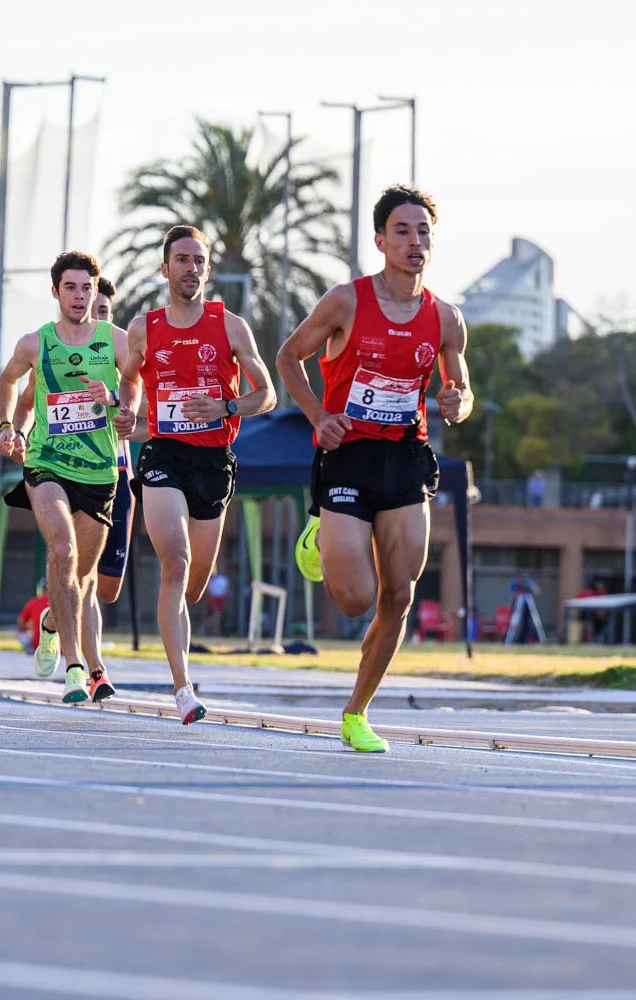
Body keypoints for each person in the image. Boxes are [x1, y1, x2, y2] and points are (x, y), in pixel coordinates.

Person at [277, 184, 473, 752]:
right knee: (354, 599)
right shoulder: (346, 302)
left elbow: (458, 387)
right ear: (380, 239)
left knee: (400, 595)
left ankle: (356, 711)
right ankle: (324, 533)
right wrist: (319, 416)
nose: (415, 241)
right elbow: (290, 357)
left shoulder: (446, 317)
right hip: (347, 454)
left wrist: (459, 402)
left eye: (424, 232)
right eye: (403, 231)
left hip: (406, 457)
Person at [119, 225, 277, 724]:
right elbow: (128, 380)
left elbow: (267, 394)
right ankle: (182, 687)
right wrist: (128, 412)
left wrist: (226, 403)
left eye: (198, 261)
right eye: (181, 259)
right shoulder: (144, 329)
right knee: (175, 562)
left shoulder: (230, 326)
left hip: (214, 460)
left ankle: (178, 629)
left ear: (207, 270)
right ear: (165, 269)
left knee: (193, 585)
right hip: (164, 454)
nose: (191, 268)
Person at [0, 250, 136, 704]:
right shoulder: (35, 344)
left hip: (99, 471)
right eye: (70, 288)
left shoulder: (117, 340)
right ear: (55, 292)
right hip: (47, 463)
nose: (79, 296)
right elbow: (8, 381)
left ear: (96, 292)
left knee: (81, 574)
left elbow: (138, 389)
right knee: (62, 548)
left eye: (86, 288)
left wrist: (117, 400)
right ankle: (76, 668)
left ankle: (52, 623)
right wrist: (7, 427)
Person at [16, 586, 51, 656]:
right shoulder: (61, 603)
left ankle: (31, 649)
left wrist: (30, 627)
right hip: (59, 648)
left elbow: (20, 624)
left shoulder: (33, 602)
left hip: (36, 645)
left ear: (42, 589)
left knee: (21, 634)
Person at [205, 571, 230, 635]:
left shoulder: (222, 579)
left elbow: (226, 591)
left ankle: (214, 630)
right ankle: (213, 630)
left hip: (221, 598)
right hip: (214, 599)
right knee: (217, 615)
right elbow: (209, 591)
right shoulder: (210, 581)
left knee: (217, 616)